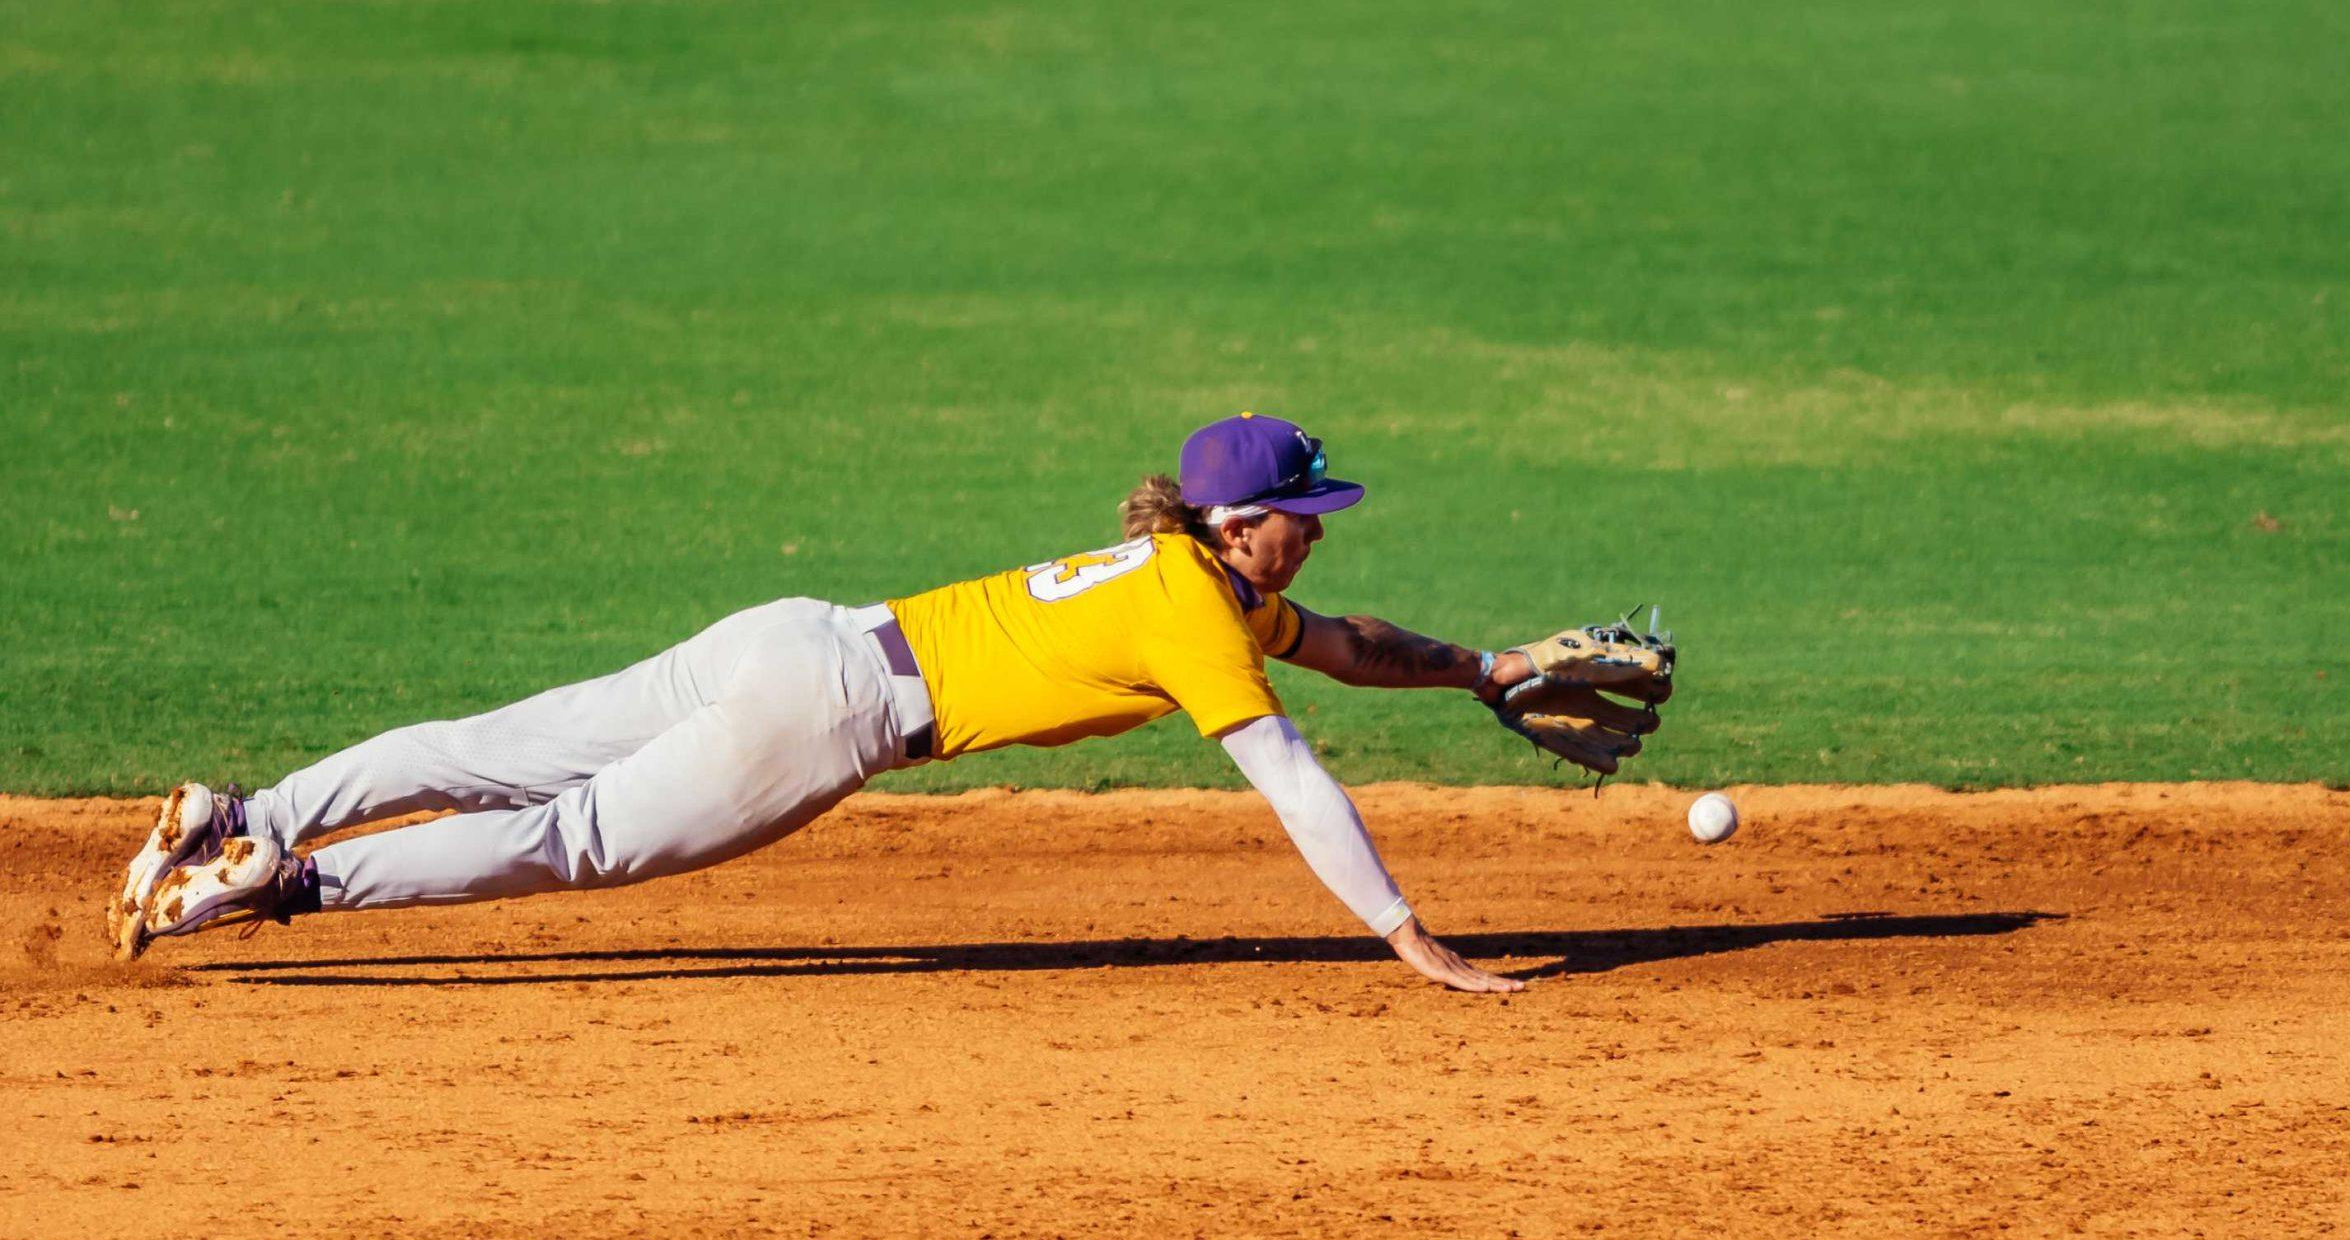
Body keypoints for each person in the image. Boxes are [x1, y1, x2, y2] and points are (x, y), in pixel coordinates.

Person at [111, 414, 1668, 993]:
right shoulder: (1201, 616)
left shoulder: (1192, 575)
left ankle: (239, 811)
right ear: (1238, 520)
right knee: (568, 840)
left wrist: (1482, 666)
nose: (1319, 525)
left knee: (493, 745)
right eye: (1305, 507)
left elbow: (1341, 643)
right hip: (827, 717)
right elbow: (1297, 780)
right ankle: (286, 882)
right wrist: (1411, 935)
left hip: (797, 637)